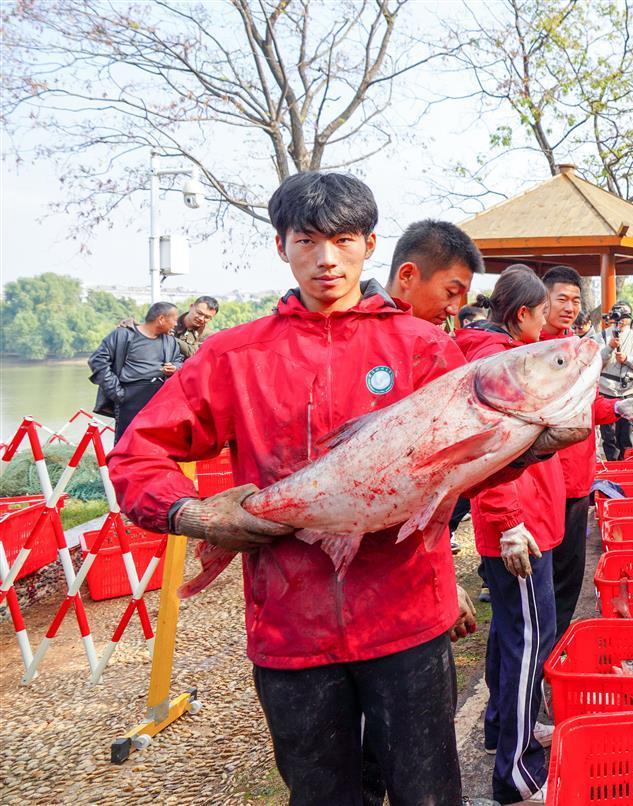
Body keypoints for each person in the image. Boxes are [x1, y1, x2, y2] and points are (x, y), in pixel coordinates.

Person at [106, 172, 470, 804]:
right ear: (282, 247)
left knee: (427, 790)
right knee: (319, 792)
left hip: (408, 614)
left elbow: (473, 456)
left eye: (345, 240)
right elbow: (139, 453)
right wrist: (190, 512)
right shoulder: (233, 354)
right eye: (307, 240)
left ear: (369, 244)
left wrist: (530, 442)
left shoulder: (424, 347)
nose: (326, 259)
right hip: (291, 625)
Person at [456, 266, 561, 804]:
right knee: (527, 642)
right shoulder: (499, 364)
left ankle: (504, 728)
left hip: (527, 516)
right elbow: (488, 452)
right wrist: (507, 523)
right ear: (521, 314)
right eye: (544, 313)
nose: (547, 325)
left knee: (513, 635)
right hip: (519, 525)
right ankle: (517, 770)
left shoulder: (495, 353)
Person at [538, 266, 633, 645]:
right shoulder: (531, 352)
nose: (569, 308)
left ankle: (557, 648)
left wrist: (616, 409)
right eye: (560, 299)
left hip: (578, 478)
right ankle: (545, 651)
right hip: (544, 481)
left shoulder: (578, 349)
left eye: (575, 300)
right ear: (540, 300)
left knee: (569, 575)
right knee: (543, 582)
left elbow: (588, 406)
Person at [89, 301, 184, 440]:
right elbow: (97, 361)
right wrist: (116, 392)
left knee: (155, 444)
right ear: (161, 319)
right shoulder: (122, 334)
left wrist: (175, 368)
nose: (176, 324)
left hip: (159, 398)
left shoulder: (170, 341)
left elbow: (179, 361)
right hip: (129, 397)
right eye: (174, 320)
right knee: (126, 444)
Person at [387, 219, 480, 327]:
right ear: (407, 275)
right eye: (451, 292)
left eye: (461, 295)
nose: (454, 310)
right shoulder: (365, 332)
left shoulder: (436, 340)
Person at [597, 304, 633, 460]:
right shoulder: (603, 336)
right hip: (607, 389)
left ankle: (626, 465)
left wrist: (628, 359)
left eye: (624, 314)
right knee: (609, 436)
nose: (621, 318)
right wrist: (610, 347)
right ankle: (613, 467)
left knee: (626, 434)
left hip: (629, 389)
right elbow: (596, 360)